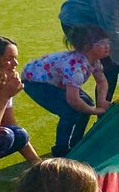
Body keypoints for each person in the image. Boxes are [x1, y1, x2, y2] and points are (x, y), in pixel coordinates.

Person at [20, 26, 111, 158]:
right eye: (102, 43)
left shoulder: (94, 62)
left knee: (86, 103)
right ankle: (61, 150)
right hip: (34, 81)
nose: (107, 46)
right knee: (70, 110)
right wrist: (94, 111)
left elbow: (102, 81)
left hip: (51, 80)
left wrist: (101, 100)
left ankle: (76, 142)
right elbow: (73, 100)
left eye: (108, 42)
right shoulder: (76, 68)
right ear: (86, 47)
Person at [0, 35, 40, 170]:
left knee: (18, 134)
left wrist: (37, 163)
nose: (15, 64)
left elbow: (11, 125)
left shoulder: (0, 84)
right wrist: (4, 97)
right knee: (6, 136)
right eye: (9, 59)